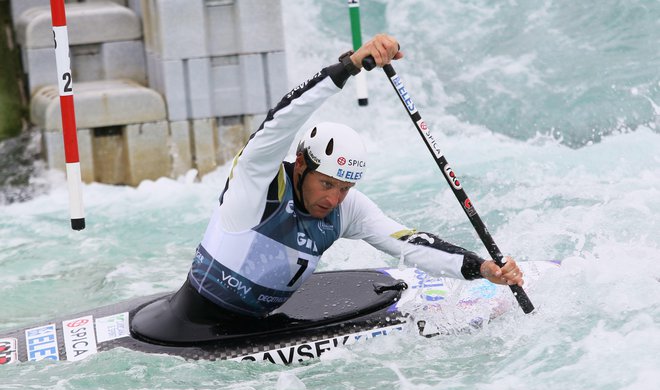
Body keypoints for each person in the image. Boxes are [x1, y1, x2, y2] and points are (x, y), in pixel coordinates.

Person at [181, 34, 524, 326]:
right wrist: (349, 67)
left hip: (264, 324)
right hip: (195, 323)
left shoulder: (346, 209)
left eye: (345, 188)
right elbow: (283, 117)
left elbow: (409, 242)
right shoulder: (256, 187)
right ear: (301, 163)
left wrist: (481, 268)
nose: (334, 199)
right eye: (327, 184)